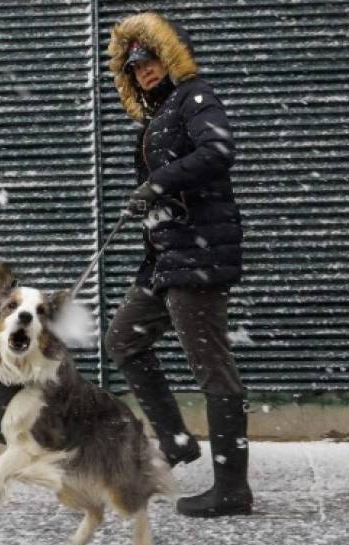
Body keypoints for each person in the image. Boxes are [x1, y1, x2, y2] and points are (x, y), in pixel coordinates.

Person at [104, 12, 252, 518]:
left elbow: (218, 150)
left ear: (171, 57)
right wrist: (151, 205)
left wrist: (159, 184)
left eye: (150, 61)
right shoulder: (157, 116)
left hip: (200, 255)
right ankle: (176, 439)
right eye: (134, 66)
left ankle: (233, 488)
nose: (143, 71)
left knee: (213, 370)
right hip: (166, 258)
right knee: (124, 339)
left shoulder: (194, 97)